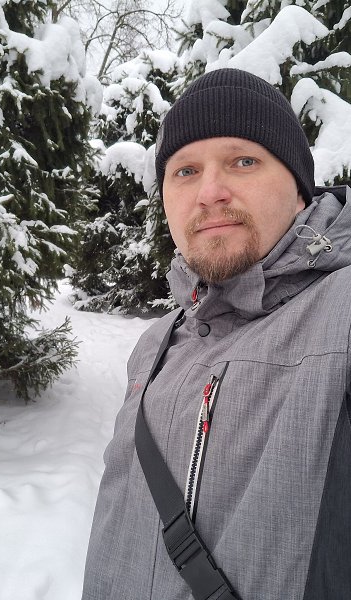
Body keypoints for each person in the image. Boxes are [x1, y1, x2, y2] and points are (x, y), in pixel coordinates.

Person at [81, 68, 351, 600]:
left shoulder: (340, 313)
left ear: (300, 191)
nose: (209, 193)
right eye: (185, 171)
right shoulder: (155, 343)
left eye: (243, 161)